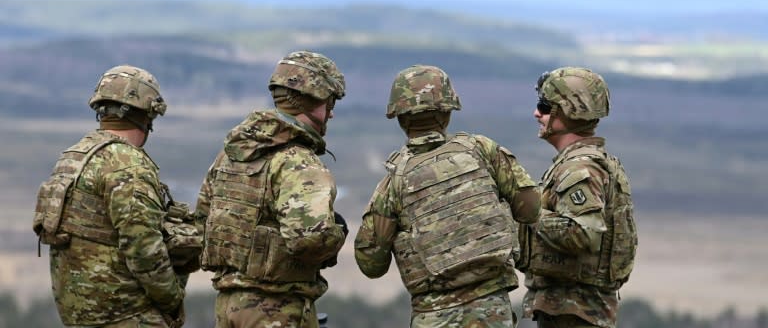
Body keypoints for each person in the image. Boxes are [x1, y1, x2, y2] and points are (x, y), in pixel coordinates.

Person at [354, 64, 542, 327]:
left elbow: (371, 264)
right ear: (447, 112)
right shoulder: (482, 151)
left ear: (400, 118)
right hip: (492, 312)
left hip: (433, 317)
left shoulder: (393, 183)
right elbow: (530, 209)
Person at [195, 50, 349, 328]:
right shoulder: (298, 162)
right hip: (276, 309)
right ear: (315, 98)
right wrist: (336, 234)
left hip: (227, 306)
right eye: (330, 101)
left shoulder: (232, 153)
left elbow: (202, 220)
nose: (331, 112)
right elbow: (308, 241)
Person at [32, 65, 190, 328]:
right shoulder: (128, 165)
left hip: (79, 316)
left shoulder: (73, 156)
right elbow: (144, 250)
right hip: (126, 315)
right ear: (147, 114)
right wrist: (172, 300)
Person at [518, 67, 638, 328]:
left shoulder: (579, 168)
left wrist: (529, 213)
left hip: (573, 313)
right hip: (571, 310)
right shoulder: (586, 162)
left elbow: (583, 233)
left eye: (545, 107)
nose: (537, 113)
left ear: (569, 111)